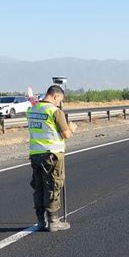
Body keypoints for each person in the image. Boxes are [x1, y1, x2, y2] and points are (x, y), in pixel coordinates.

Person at [27, 85, 77, 232]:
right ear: (55, 96)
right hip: (52, 155)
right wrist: (72, 128)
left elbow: (34, 105)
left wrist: (32, 99)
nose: (59, 103)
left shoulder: (32, 110)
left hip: (35, 154)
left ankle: (41, 221)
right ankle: (54, 221)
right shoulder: (54, 111)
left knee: (39, 187)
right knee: (53, 186)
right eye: (60, 100)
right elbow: (66, 134)